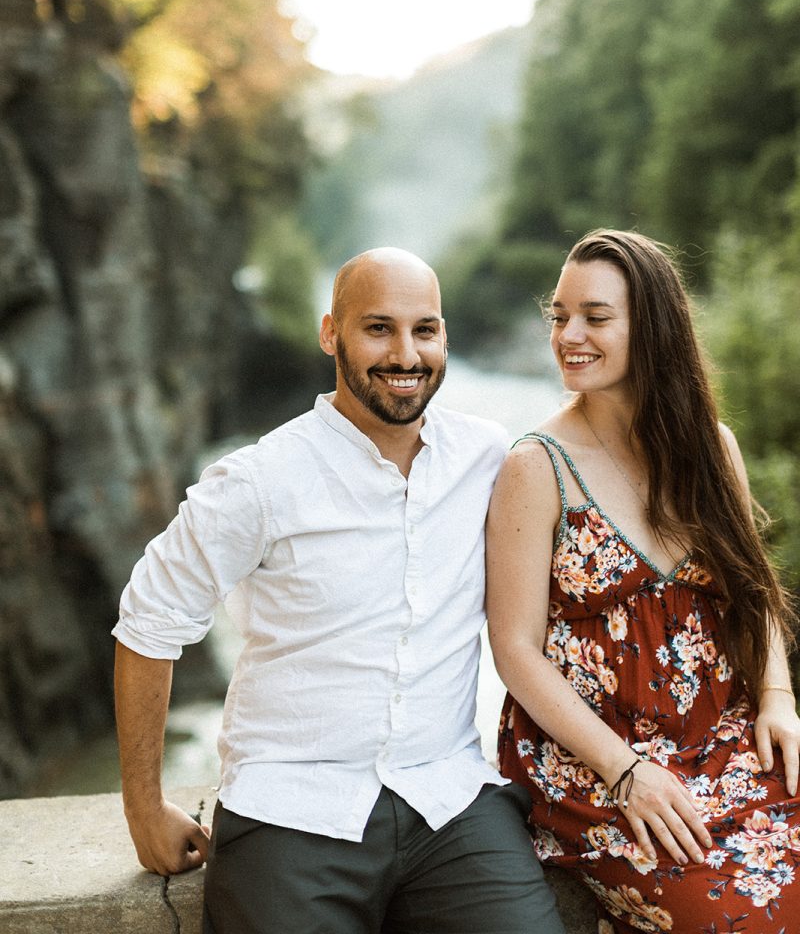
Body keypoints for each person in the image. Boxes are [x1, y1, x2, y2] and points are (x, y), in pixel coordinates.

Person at [113, 247, 564, 934]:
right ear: (331, 334)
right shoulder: (260, 480)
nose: (406, 354)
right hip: (292, 808)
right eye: (378, 328)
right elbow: (148, 619)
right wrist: (144, 810)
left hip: (449, 801)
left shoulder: (487, 456)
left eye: (425, 330)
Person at [487, 228, 800, 933]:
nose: (569, 334)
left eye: (595, 317)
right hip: (595, 763)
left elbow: (753, 593)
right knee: (737, 913)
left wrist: (777, 699)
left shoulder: (711, 446)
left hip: (725, 739)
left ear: (652, 327)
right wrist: (625, 771)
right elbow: (513, 649)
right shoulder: (535, 467)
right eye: (559, 315)